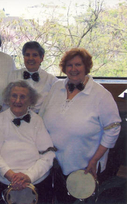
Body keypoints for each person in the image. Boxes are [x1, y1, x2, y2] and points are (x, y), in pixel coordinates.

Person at [39, 48, 121, 203]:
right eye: (69, 65)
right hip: (54, 164)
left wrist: (95, 160)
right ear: (64, 68)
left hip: (84, 167)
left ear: (86, 67)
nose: (73, 69)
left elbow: (113, 128)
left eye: (78, 64)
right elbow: (41, 118)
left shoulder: (101, 95)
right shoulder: (56, 87)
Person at [0, 80, 56, 204]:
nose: (18, 101)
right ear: (8, 98)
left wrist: (29, 176)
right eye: (14, 96)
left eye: (23, 97)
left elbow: (48, 154)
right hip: (2, 181)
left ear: (30, 100)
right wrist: (10, 175)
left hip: (36, 182)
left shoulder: (37, 120)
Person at [10, 41, 58, 113]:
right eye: (27, 55)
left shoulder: (52, 81)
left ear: (42, 58)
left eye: (35, 55)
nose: (30, 58)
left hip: (40, 120)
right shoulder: (13, 76)